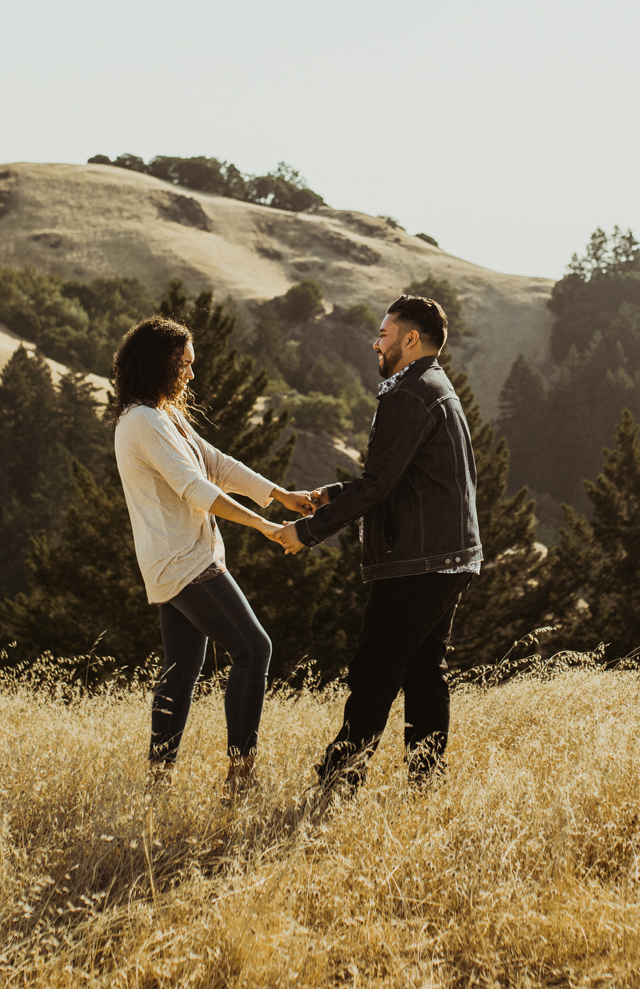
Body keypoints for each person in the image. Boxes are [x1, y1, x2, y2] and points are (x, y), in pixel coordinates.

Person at [274, 294, 482, 792]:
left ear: (411, 339)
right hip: (446, 556)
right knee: (424, 670)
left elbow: (381, 483)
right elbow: (400, 479)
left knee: (374, 671)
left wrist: (307, 531)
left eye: (385, 334)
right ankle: (426, 783)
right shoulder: (435, 388)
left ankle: (337, 782)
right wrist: (330, 496)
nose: (376, 343)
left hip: (419, 560)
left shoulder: (410, 394)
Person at [111, 315, 319, 795]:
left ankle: (157, 784)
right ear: (158, 365)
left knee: (180, 672)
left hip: (176, 562)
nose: (190, 374)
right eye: (183, 365)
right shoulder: (142, 422)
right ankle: (240, 777)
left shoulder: (163, 415)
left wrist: (280, 494)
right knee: (254, 648)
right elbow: (194, 488)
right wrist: (265, 526)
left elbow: (217, 465)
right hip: (185, 562)